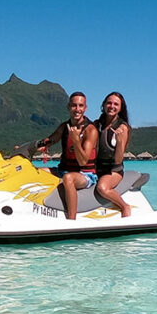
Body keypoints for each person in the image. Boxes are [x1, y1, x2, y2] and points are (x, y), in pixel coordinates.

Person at [35, 91, 98, 220]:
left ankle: (72, 220)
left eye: (81, 106)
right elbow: (49, 140)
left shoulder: (91, 130)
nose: (77, 109)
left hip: (85, 174)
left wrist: (75, 140)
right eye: (74, 105)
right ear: (68, 107)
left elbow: (83, 161)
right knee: (35, 172)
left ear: (85, 108)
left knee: (68, 179)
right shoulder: (64, 127)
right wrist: (29, 148)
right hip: (63, 170)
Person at [94, 91, 131, 217]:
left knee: (102, 188)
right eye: (109, 103)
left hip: (113, 170)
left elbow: (118, 160)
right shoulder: (97, 124)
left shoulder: (122, 128)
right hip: (95, 168)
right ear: (104, 105)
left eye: (116, 104)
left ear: (120, 108)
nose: (112, 106)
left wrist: (120, 142)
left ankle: (124, 206)